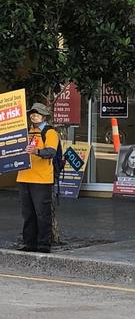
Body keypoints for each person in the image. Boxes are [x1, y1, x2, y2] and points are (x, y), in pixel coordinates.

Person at [16, 102, 60, 254]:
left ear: (44, 116)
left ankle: (43, 245)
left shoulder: (50, 132)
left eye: (37, 113)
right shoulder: (26, 132)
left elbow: (51, 152)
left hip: (41, 179)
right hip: (24, 177)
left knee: (42, 214)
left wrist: (36, 151)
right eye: (32, 113)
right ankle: (29, 243)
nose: (33, 116)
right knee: (28, 214)